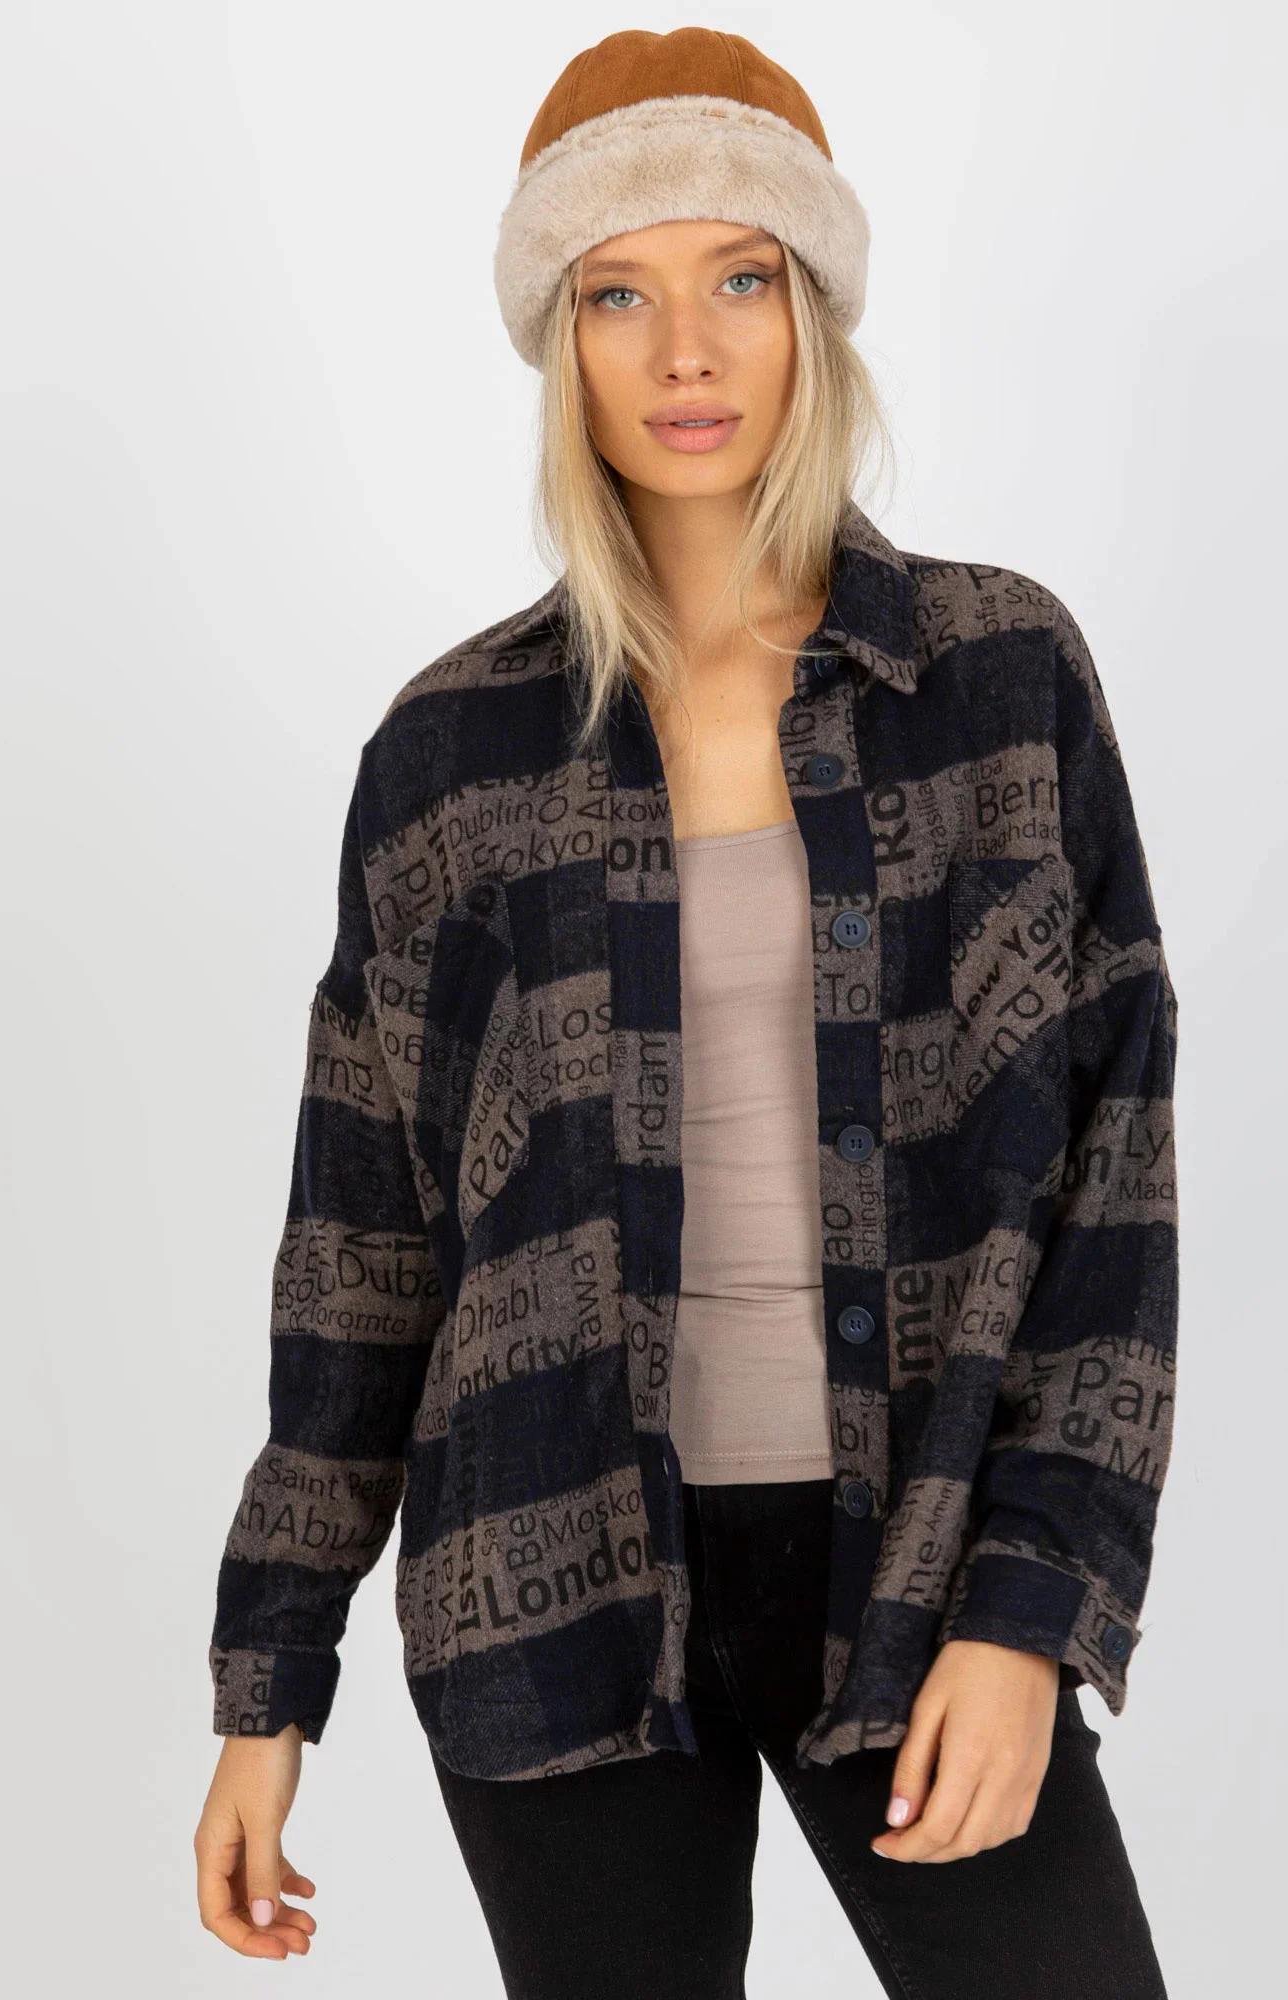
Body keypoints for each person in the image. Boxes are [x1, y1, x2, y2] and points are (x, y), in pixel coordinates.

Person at [194, 27, 1177, 1998]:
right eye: (618, 297)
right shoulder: (453, 753)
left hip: (914, 1562)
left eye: (739, 277)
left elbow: (1113, 1184)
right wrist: (266, 1683)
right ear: (561, 345)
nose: (687, 352)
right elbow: (364, 1250)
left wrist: (1032, 1603)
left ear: (813, 306)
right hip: (550, 1579)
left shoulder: (996, 682)